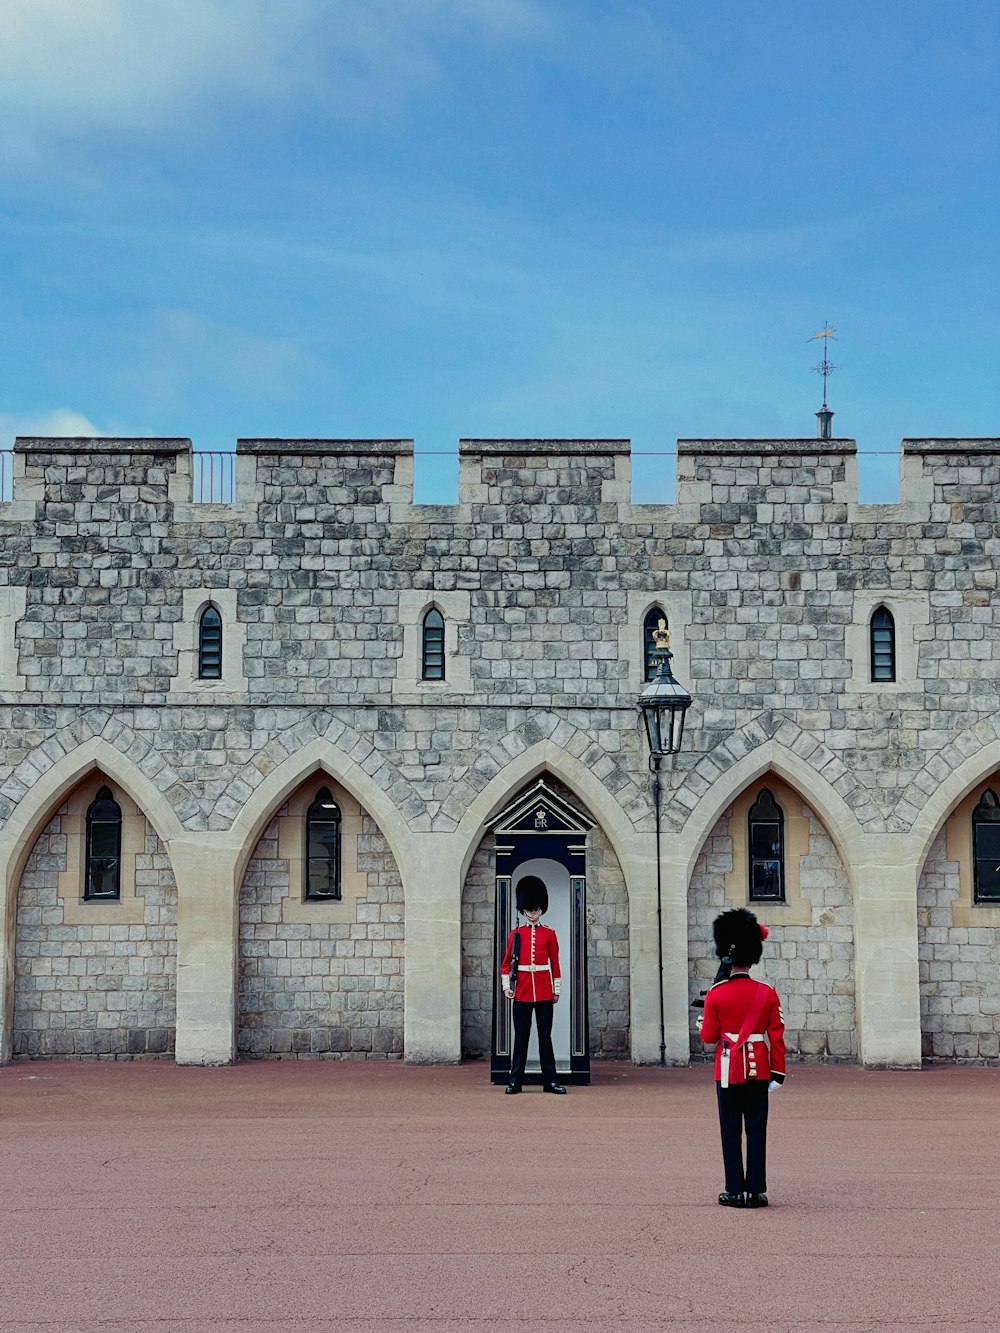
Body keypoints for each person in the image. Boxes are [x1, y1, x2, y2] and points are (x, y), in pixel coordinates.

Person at [697, 907, 785, 1208]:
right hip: (759, 1069)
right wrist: (778, 1073)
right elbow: (776, 1036)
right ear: (753, 954)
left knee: (731, 1128)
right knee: (757, 1129)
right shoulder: (767, 992)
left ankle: (734, 1189)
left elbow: (709, 1037)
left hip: (727, 1070)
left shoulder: (717, 994)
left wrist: (701, 1024)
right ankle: (756, 1191)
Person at [500, 875, 566, 1095]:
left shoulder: (550, 933)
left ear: (541, 909)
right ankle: (515, 1081)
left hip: (544, 991)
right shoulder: (515, 934)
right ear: (524, 910)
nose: (533, 912)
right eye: (530, 909)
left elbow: (555, 963)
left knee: (545, 1037)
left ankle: (550, 1081)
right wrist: (507, 986)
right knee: (521, 1038)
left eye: (537, 908)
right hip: (522, 992)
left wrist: (556, 989)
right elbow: (506, 963)